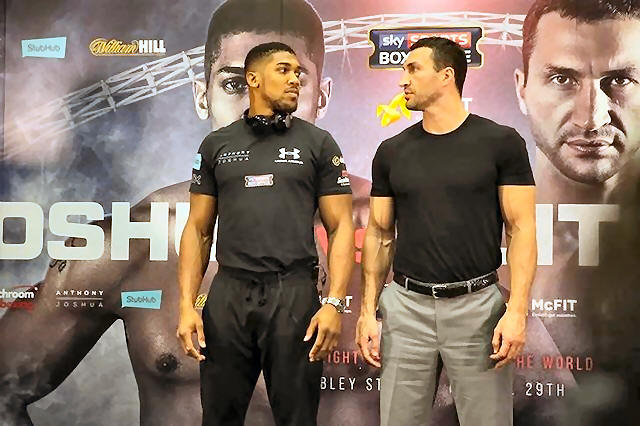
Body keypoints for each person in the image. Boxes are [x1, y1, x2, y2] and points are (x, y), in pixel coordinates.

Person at [0, 1, 372, 425]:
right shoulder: (135, 240)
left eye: (290, 80)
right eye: (235, 84)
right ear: (202, 96)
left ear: (320, 97)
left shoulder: (396, 229)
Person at [356, 36, 537, 426]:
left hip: (478, 308)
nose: (402, 80)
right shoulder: (391, 151)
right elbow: (379, 233)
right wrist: (368, 312)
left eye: (413, 69)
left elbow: (521, 229)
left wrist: (517, 311)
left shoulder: (501, 143)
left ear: (446, 76)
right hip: (405, 308)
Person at [177, 42, 354, 425]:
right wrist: (186, 305)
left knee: (298, 418)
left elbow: (341, 228)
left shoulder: (318, 143)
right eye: (284, 70)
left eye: (298, 73)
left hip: (293, 295)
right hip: (228, 296)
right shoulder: (216, 145)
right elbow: (198, 229)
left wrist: (335, 304)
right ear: (253, 79)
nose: (295, 80)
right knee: (218, 418)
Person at [514, 1, 640, 422]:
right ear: (521, 89)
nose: (592, 118)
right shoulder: (463, 235)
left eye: (620, 80)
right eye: (563, 79)